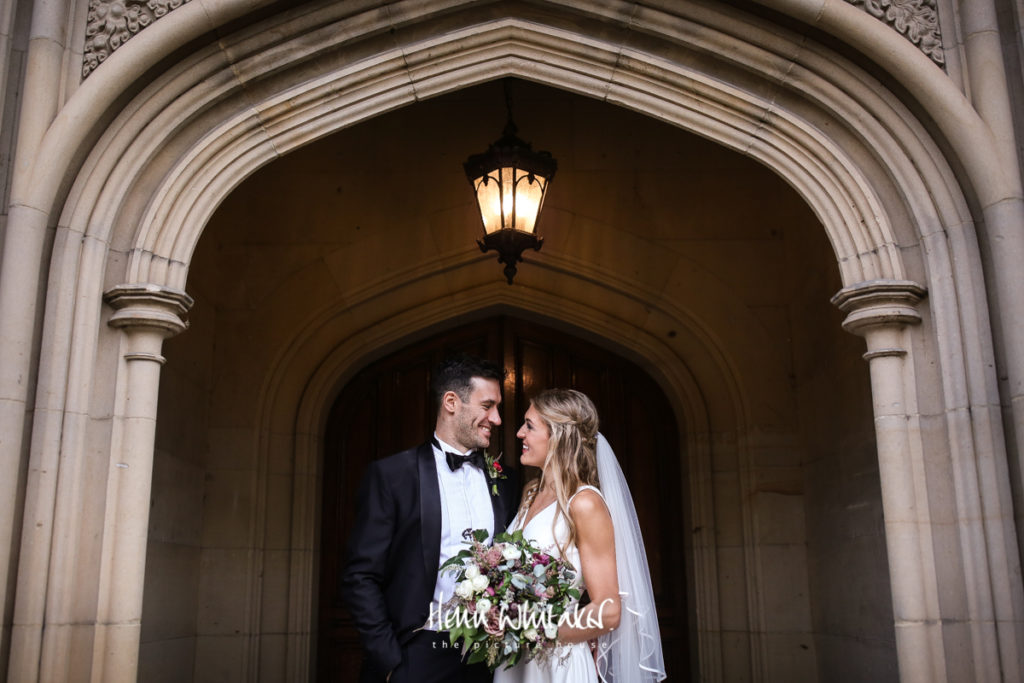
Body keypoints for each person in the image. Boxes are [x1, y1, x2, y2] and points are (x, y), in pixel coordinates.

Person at [342, 354, 521, 683]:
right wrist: (391, 660)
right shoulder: (392, 475)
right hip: (416, 654)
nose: (496, 419)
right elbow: (360, 576)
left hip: (487, 659)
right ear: (451, 402)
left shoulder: (506, 482)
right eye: (488, 406)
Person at [495, 389, 666, 683]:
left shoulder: (585, 503)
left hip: (557, 664)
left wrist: (534, 630)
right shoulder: (530, 493)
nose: (519, 432)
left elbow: (608, 611)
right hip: (515, 663)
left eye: (530, 425)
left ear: (559, 436)